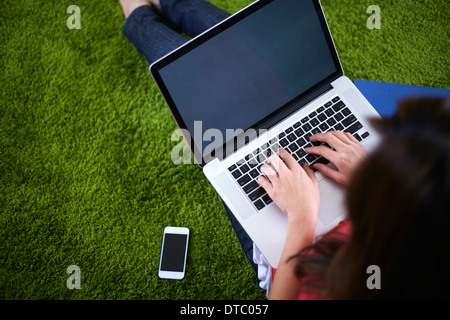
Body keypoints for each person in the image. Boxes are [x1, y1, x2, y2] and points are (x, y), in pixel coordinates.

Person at [119, 0, 450, 299]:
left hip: (289, 248)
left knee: (207, 98)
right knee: (248, 53)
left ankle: (138, 15)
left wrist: (302, 216)